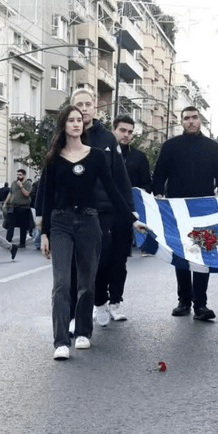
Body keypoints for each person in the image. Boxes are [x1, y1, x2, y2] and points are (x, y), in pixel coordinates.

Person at [39, 106, 146, 360]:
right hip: (61, 223)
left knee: (87, 283)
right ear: (63, 125)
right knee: (62, 285)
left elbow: (112, 190)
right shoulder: (54, 158)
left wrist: (132, 219)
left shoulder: (96, 156)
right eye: (71, 120)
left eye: (79, 120)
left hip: (89, 222)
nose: (76, 124)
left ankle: (84, 332)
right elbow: (46, 198)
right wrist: (44, 233)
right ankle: (61, 341)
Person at [152, 106, 218, 321]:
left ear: (199, 120)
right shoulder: (170, 147)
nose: (191, 122)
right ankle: (184, 301)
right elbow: (159, 174)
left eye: (194, 118)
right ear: (181, 121)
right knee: (182, 255)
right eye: (186, 118)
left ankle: (201, 304)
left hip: (205, 210)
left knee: (204, 255)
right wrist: (158, 195)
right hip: (177, 209)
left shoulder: (212, 147)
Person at [69, 88, 134, 328]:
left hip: (104, 212)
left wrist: (130, 210)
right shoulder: (64, 136)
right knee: (75, 266)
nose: (84, 108)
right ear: (72, 107)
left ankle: (101, 301)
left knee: (103, 260)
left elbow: (121, 178)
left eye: (88, 104)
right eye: (80, 104)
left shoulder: (107, 138)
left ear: (95, 107)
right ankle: (75, 316)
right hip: (72, 211)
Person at [102, 114, 153, 322]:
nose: (126, 135)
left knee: (119, 262)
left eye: (130, 132)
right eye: (122, 130)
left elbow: (148, 187)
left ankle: (115, 302)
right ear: (113, 129)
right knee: (100, 261)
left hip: (125, 218)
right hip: (102, 215)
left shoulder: (139, 158)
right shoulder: (100, 152)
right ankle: (99, 302)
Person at [3, 169, 32, 249]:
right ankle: (7, 241)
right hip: (13, 207)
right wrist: (6, 202)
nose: (18, 176)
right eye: (18, 174)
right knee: (10, 224)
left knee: (23, 226)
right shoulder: (14, 183)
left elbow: (27, 194)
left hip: (23, 207)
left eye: (20, 175)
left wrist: (21, 186)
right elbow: (10, 193)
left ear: (24, 175)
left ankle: (22, 243)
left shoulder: (28, 184)